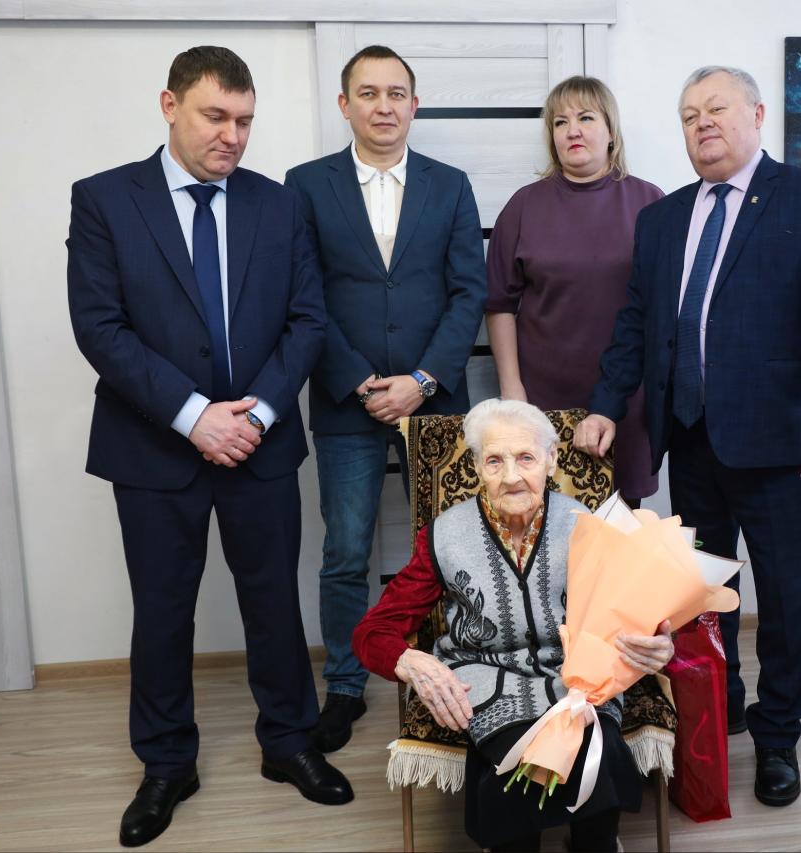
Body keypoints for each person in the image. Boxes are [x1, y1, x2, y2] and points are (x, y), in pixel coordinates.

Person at [67, 46, 353, 848]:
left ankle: (289, 741)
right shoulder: (104, 200)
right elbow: (99, 327)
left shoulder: (279, 204)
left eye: (245, 121)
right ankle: (166, 764)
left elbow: (307, 319)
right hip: (152, 447)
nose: (233, 135)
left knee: (274, 601)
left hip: (260, 442)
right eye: (215, 116)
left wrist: (254, 415)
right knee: (162, 610)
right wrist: (194, 416)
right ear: (170, 105)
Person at [574, 66, 801, 808]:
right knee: (705, 588)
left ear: (757, 114)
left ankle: (778, 733)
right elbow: (637, 325)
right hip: (691, 437)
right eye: (688, 114)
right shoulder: (663, 218)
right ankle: (722, 700)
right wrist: (606, 405)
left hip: (781, 444)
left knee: (787, 592)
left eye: (717, 108)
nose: (702, 122)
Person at [353, 399, 674, 852]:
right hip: (484, 677)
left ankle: (596, 844)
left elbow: (641, 615)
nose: (510, 476)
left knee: (597, 750)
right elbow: (372, 631)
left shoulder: (590, 527)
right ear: (476, 467)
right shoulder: (444, 536)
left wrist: (660, 643)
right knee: (518, 759)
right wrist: (411, 663)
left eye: (525, 458)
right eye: (494, 461)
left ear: (551, 460)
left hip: (579, 675)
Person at [284, 45, 486, 753]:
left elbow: (469, 291)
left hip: (435, 401)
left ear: (414, 105)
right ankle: (345, 684)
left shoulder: (450, 185)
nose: (384, 106)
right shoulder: (305, 185)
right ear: (345, 105)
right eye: (368, 93)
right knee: (346, 548)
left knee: (450, 545)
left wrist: (421, 380)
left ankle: (456, 666)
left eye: (397, 93)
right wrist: (360, 379)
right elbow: (301, 292)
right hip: (348, 401)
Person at [485, 76, 664, 506]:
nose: (573, 131)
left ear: (611, 130)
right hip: (542, 400)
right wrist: (513, 392)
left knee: (620, 526)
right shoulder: (523, 206)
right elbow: (499, 305)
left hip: (627, 400)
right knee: (542, 522)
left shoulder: (650, 203)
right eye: (560, 122)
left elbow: (664, 309)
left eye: (586, 118)